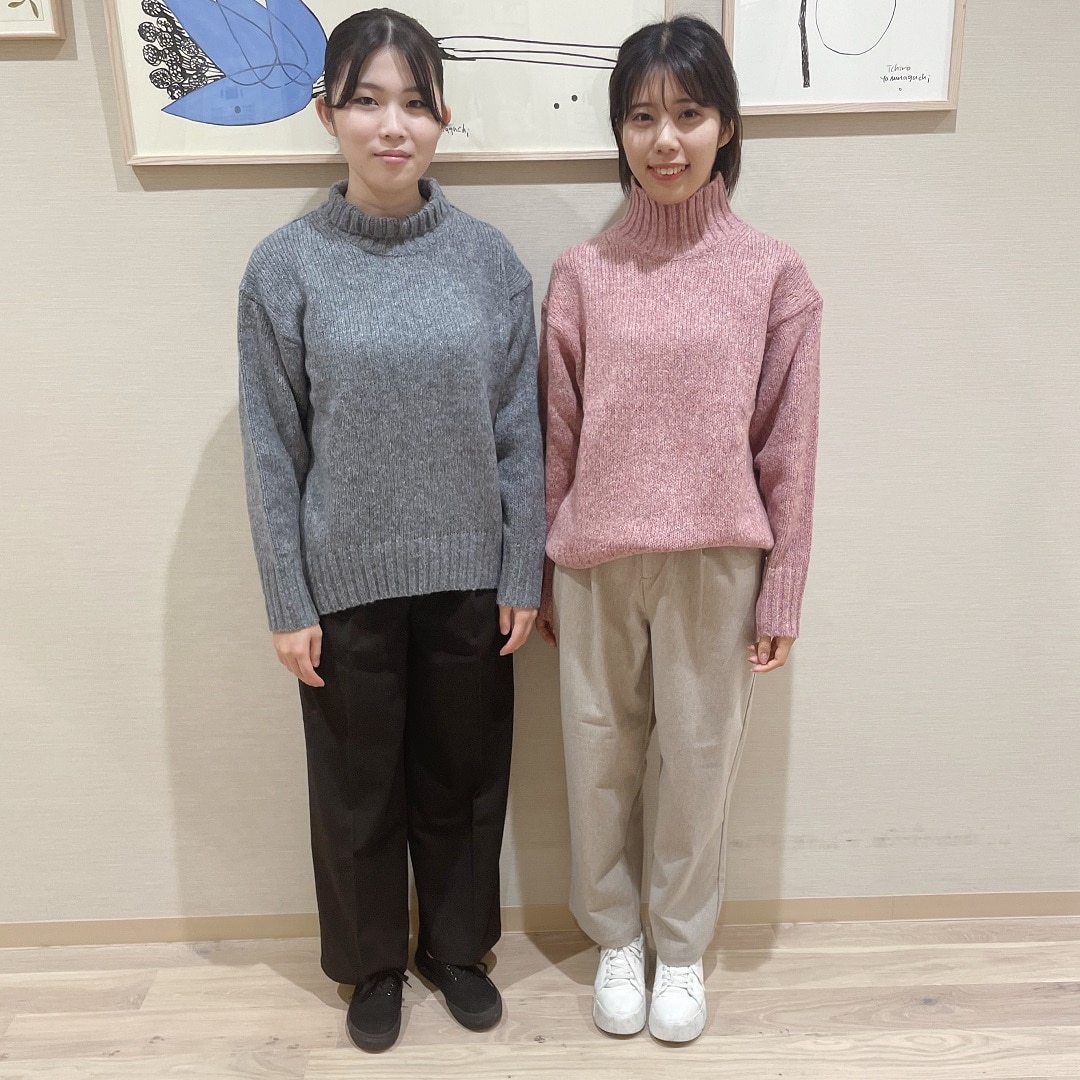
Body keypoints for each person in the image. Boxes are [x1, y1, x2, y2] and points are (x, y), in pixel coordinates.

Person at [237, 8, 544, 1053]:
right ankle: (370, 963)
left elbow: (520, 432)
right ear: (327, 113)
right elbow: (272, 450)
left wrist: (521, 568)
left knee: (463, 781)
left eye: (415, 101)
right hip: (343, 583)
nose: (392, 124)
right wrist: (287, 598)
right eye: (366, 100)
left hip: (470, 576)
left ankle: (455, 950)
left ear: (442, 117)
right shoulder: (284, 269)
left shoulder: (489, 262)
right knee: (356, 792)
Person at [537, 15, 822, 1043]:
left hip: (715, 559)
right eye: (642, 117)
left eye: (689, 114)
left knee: (700, 764)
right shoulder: (580, 274)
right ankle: (617, 937)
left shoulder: (773, 276)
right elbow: (556, 439)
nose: (665, 140)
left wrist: (782, 588)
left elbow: (790, 447)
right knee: (598, 758)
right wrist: (543, 571)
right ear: (618, 131)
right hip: (596, 558)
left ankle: (683, 948)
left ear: (726, 127)